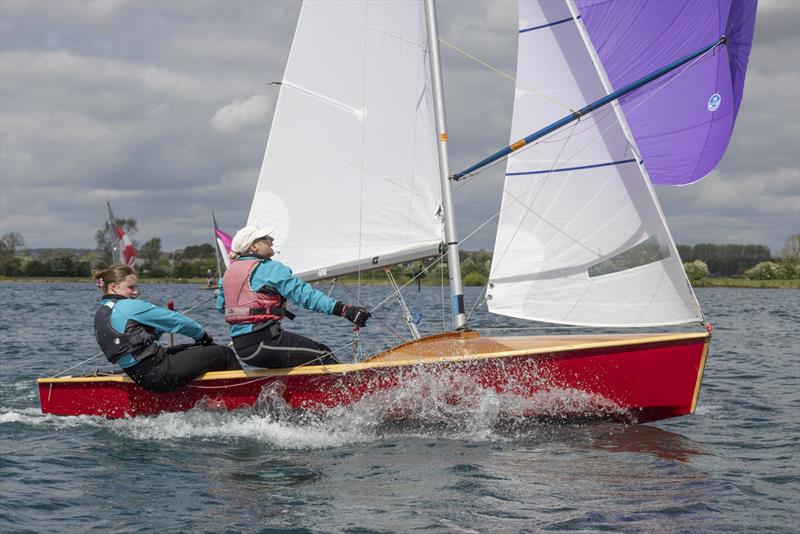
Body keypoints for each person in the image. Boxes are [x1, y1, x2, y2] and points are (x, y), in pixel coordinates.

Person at [217, 225, 371, 368]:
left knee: (301, 359)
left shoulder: (228, 273)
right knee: (323, 355)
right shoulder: (269, 269)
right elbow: (305, 296)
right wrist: (344, 310)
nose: (272, 241)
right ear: (253, 246)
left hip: (243, 349)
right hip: (264, 344)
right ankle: (352, 392)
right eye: (266, 238)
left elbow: (221, 307)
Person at [93, 264, 241, 393]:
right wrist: (202, 336)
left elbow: (135, 343)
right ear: (113, 287)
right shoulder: (129, 306)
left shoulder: (102, 313)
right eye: (131, 287)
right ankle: (242, 403)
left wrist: (157, 329)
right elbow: (178, 321)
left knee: (192, 349)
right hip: (160, 373)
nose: (137, 292)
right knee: (224, 353)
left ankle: (212, 396)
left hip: (141, 376)